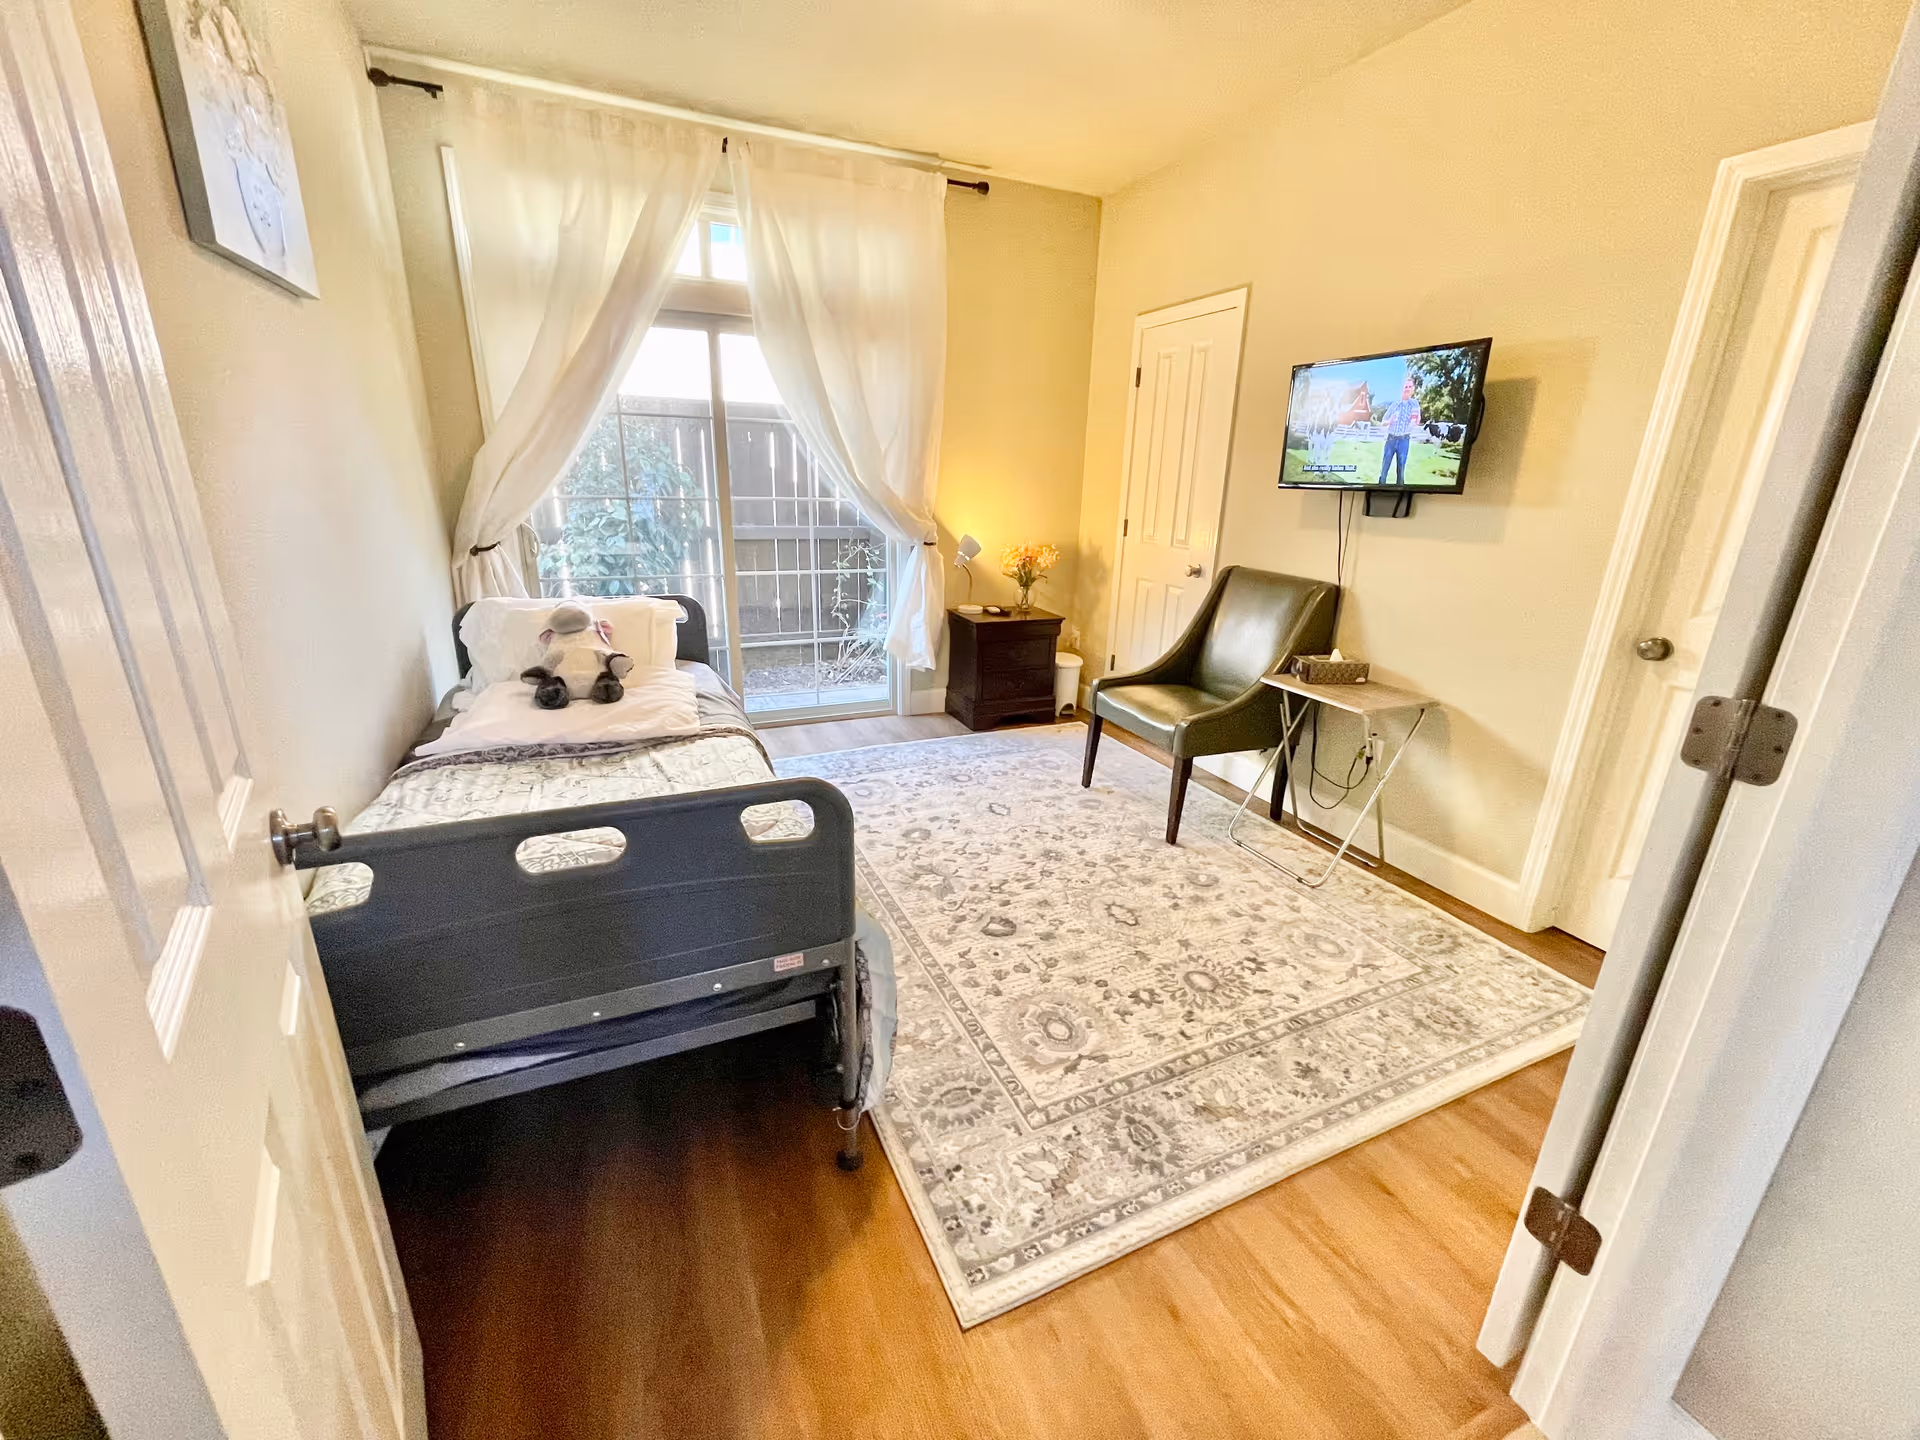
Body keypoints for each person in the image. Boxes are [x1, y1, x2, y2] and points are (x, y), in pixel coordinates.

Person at [1377, 375, 1421, 485]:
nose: (1407, 389)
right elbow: (1383, 422)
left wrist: (1416, 419)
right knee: (1385, 467)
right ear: (1402, 388)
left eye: (1410, 387)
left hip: (1404, 440)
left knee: (1401, 467)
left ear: (1413, 389)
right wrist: (1390, 421)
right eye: (1405, 386)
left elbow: (1417, 420)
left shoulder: (1414, 404)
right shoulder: (1394, 405)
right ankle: (1380, 488)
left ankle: (1401, 490)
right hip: (1391, 439)